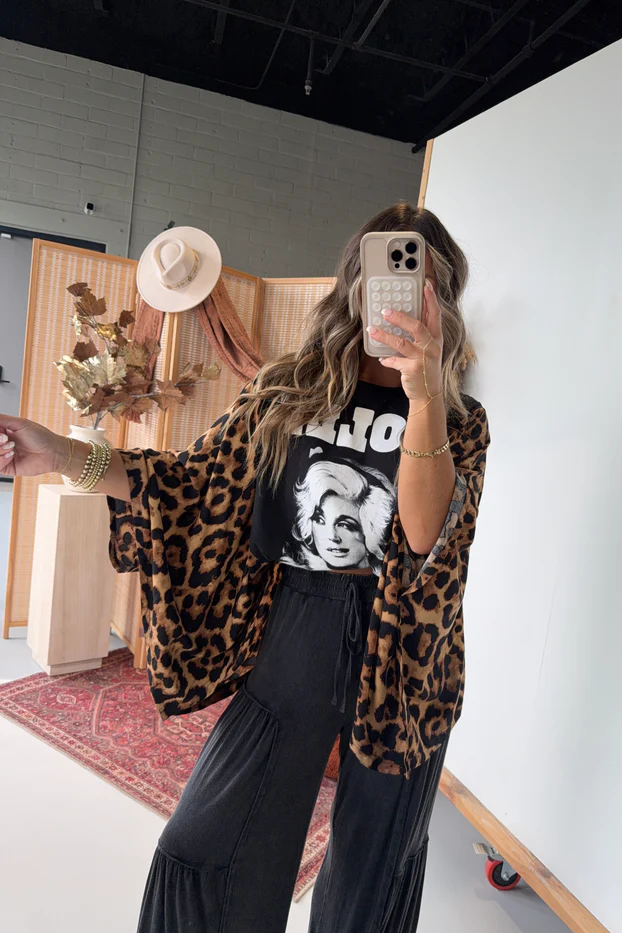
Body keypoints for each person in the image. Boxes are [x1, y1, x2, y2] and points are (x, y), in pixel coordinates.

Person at [0, 202, 490, 933]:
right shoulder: (288, 392)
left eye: (420, 285)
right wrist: (64, 454)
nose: (395, 299)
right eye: (382, 277)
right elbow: (187, 484)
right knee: (207, 841)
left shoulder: (459, 421)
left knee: (374, 869)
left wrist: (422, 393)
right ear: (355, 285)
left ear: (441, 301)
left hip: (410, 657)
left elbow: (426, 543)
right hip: (301, 624)